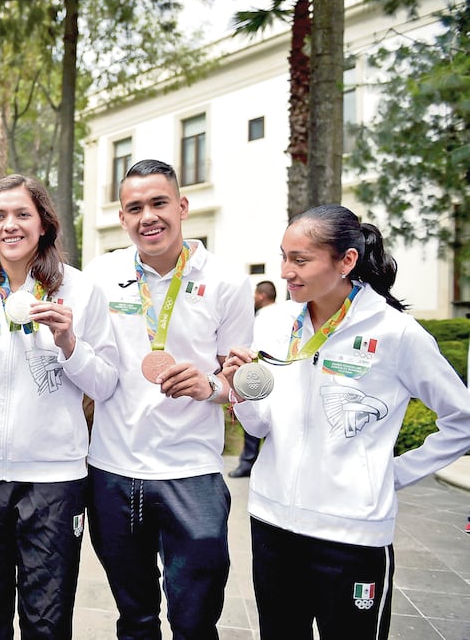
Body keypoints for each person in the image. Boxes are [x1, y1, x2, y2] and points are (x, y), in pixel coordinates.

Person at [222, 204, 470, 638]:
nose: (285, 272)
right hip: (272, 525)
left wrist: (391, 474)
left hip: (352, 537)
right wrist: (240, 391)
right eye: (283, 257)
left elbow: (462, 419)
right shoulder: (275, 322)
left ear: (346, 261)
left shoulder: (396, 333)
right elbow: (261, 427)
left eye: (300, 260)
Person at [0, 174, 119, 638]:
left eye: (23, 214)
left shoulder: (81, 292)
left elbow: (105, 382)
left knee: (46, 619)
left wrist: (69, 342)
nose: (10, 225)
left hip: (54, 482)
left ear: (44, 224)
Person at [83, 158, 254, 639]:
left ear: (181, 206)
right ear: (121, 217)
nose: (147, 217)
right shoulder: (101, 273)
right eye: (134, 207)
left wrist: (210, 386)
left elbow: (237, 379)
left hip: (191, 472)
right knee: (134, 619)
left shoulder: (227, 281)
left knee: (195, 620)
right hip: (113, 470)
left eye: (159, 203)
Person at [229, 279, 277, 478]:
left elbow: (252, 346)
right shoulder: (284, 313)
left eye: (256, 294)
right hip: (272, 373)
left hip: (261, 374)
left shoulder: (265, 317)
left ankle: (248, 461)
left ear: (262, 296)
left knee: (255, 419)